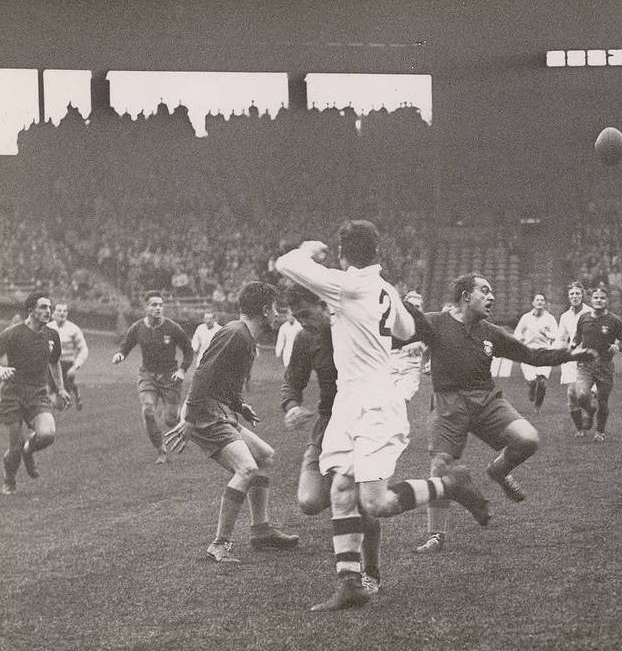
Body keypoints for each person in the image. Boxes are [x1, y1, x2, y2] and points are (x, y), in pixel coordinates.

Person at [275, 221, 491, 612]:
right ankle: (350, 584)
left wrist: (307, 248)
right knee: (342, 490)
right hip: (350, 403)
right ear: (378, 253)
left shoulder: (347, 285)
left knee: (374, 503)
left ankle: (451, 485)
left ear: (343, 253)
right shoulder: (385, 289)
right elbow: (408, 327)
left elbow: (287, 262)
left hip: (374, 403)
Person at [401, 273, 591, 555]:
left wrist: (570, 355)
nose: (492, 297)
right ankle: (436, 535)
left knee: (528, 439)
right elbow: (397, 332)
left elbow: (531, 355)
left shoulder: (490, 332)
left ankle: (499, 471)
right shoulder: (436, 323)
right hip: (448, 403)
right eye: (485, 291)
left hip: (486, 400)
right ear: (466, 296)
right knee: (440, 466)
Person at [164, 282, 299, 563]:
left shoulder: (245, 337)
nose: (277, 313)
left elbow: (224, 378)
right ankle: (220, 544)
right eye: (274, 308)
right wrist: (188, 419)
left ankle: (261, 531)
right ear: (264, 310)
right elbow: (202, 373)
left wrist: (239, 406)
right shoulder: (236, 333)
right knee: (247, 467)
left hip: (219, 409)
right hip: (204, 412)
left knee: (264, 455)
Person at [280, 282, 383, 594]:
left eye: (306, 313)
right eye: (296, 316)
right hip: (327, 424)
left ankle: (372, 572)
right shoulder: (305, 338)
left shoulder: (353, 328)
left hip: (364, 421)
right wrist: (292, 406)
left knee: (365, 502)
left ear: (324, 304)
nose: (302, 322)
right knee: (310, 501)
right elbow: (292, 383)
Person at [0, 293, 72, 494]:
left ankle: (29, 451)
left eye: (49, 307)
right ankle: (9, 478)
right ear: (31, 310)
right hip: (12, 395)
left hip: (38, 394)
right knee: (14, 447)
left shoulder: (51, 335)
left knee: (47, 434)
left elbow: (54, 362)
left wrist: (61, 389)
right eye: (43, 307)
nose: (48, 311)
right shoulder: (14, 333)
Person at [112, 291, 193, 464]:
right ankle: (161, 450)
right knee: (148, 410)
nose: (158, 308)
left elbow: (188, 350)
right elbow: (125, 346)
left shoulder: (172, 327)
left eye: (160, 305)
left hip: (170, 377)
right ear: (146, 307)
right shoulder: (138, 327)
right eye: (154, 305)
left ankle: (187, 424)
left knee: (170, 420)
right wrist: (120, 354)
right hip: (147, 375)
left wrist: (182, 370)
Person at [571, 287, 622, 442]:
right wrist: (573, 344)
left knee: (603, 401)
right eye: (596, 297)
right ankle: (589, 411)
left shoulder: (614, 320)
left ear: (607, 300)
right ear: (591, 300)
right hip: (585, 364)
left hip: (605, 366)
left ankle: (600, 432)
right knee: (582, 395)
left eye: (602, 298)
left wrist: (618, 347)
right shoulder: (584, 318)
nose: (599, 300)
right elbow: (578, 336)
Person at [556, 282, 595, 428]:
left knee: (582, 395)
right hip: (571, 358)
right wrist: (556, 353)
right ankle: (580, 428)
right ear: (568, 297)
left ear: (582, 295)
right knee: (572, 395)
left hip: (587, 358)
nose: (575, 296)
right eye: (572, 294)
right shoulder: (565, 316)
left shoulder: (591, 313)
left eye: (578, 293)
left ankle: (589, 411)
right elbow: (561, 337)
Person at [514, 293, 559, 413]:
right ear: (533, 303)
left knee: (542, 382)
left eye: (542, 300)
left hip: (544, 352)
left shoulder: (550, 318)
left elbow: (556, 335)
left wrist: (547, 334)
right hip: (528, 352)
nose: (540, 302)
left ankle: (538, 406)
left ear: (544, 303)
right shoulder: (526, 318)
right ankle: (531, 388)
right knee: (532, 381)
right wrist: (520, 339)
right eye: (537, 300)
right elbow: (517, 332)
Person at [46, 302, 88, 411]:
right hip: (50, 364)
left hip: (67, 365)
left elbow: (84, 349)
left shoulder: (73, 329)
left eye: (64, 311)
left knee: (60, 405)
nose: (62, 313)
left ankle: (75, 392)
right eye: (59, 310)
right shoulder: (47, 328)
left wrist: (75, 367)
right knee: (46, 391)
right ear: (53, 313)